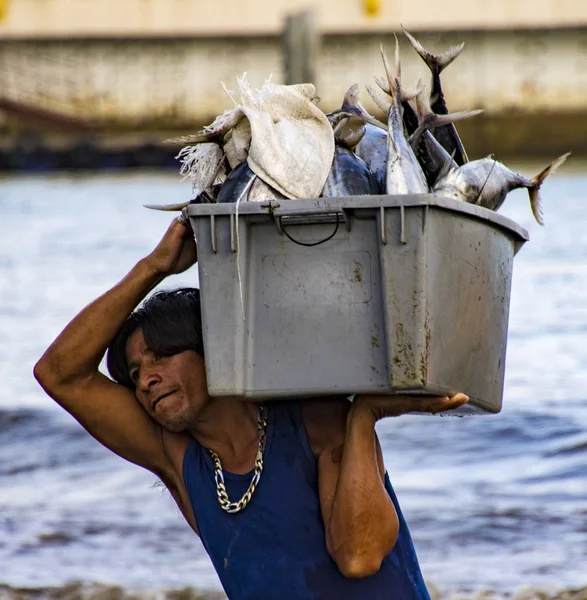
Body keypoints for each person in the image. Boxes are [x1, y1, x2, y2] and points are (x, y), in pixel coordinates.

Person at [34, 217, 469, 600]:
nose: (145, 380)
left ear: (214, 351)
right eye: (134, 372)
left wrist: (362, 416)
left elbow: (359, 556)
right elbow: (58, 373)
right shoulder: (177, 458)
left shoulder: (315, 419)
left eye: (161, 356)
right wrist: (155, 266)